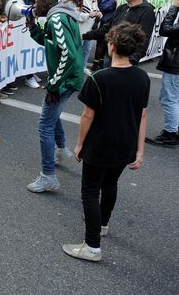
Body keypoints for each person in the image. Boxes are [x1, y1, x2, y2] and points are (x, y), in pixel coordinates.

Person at [63, 22, 149, 262]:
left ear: (111, 45)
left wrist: (80, 144)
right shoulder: (142, 76)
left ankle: (92, 245)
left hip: (100, 144)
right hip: (126, 144)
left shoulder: (100, 77)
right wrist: (140, 150)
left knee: (90, 191)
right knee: (110, 184)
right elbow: (142, 114)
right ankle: (103, 224)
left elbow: (87, 116)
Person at [26, 0, 83, 193]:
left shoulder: (56, 19)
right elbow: (48, 41)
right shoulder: (58, 16)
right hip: (68, 78)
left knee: (44, 125)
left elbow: (67, 55)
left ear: (47, 2)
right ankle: (61, 149)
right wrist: (32, 25)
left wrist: (54, 84)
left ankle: (48, 176)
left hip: (65, 80)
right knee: (52, 115)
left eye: (37, 2)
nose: (34, 6)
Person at [83, 0, 155, 67]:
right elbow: (107, 28)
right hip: (110, 57)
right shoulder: (122, 8)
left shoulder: (147, 11)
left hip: (127, 61)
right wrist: (84, 35)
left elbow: (144, 39)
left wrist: (131, 60)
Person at [146, 0, 179, 147]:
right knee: (174, 98)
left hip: (176, 64)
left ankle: (170, 133)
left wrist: (174, 8)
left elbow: (165, 29)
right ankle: (174, 129)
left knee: (169, 98)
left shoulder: (176, 7)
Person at [87, 0, 125, 71]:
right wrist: (114, 1)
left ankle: (100, 62)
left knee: (106, 42)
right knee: (102, 42)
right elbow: (103, 6)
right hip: (106, 20)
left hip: (111, 20)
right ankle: (96, 64)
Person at [80, 0, 102, 74]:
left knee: (87, 50)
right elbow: (77, 15)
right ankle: (76, 68)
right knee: (78, 49)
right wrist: (89, 14)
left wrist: (99, 14)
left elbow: (97, 11)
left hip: (91, 30)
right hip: (81, 29)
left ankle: (83, 67)